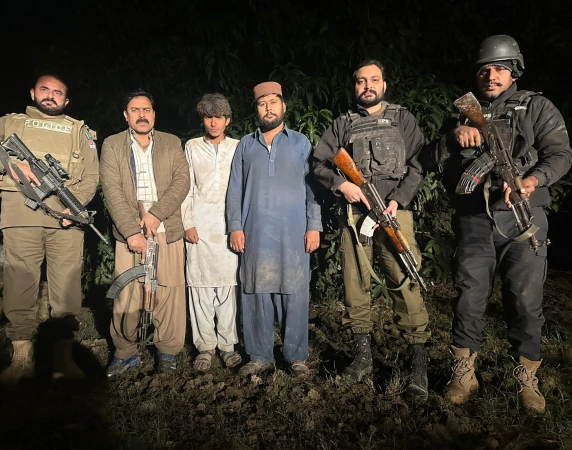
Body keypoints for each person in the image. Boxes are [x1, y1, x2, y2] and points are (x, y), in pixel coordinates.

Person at [421, 35, 572, 413]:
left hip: (522, 217)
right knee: (468, 295)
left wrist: (531, 180)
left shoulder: (537, 108)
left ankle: (526, 376)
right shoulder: (462, 113)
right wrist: (453, 137)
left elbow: (561, 155)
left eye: (500, 69)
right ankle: (464, 372)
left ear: (514, 72)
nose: (491, 75)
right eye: (485, 70)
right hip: (473, 218)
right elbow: (428, 159)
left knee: (524, 299)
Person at [312, 60, 430, 401]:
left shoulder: (402, 119)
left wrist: (398, 199)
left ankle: (417, 364)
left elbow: (419, 164)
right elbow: (318, 162)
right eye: (361, 81)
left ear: (384, 84)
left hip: (393, 213)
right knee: (354, 283)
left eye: (374, 80)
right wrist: (342, 185)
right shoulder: (342, 124)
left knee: (405, 282)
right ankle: (362, 357)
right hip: (354, 216)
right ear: (355, 87)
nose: (368, 86)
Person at [0, 74, 99, 383]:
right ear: (32, 93)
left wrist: (75, 207)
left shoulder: (80, 130)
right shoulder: (9, 123)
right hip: (21, 215)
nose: (51, 96)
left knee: (67, 286)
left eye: (58, 92)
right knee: (20, 281)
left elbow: (91, 175)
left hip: (66, 219)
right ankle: (22, 359)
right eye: (45, 89)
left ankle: (63, 360)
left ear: (66, 100)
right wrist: (11, 165)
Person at [227, 81, 322, 377]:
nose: (268, 108)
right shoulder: (246, 145)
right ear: (256, 109)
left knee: (295, 292)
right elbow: (234, 189)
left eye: (273, 102)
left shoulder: (301, 143)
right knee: (255, 291)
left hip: (293, 232)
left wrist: (314, 225)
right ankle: (259, 355)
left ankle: (296, 356)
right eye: (262, 103)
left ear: (283, 106)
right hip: (254, 231)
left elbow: (314, 189)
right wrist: (234, 226)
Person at [100, 89, 190, 377]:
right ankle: (125, 352)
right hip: (130, 232)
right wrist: (131, 231)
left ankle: (168, 350)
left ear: (154, 114)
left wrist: (156, 214)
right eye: (135, 110)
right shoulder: (112, 144)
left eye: (147, 109)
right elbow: (112, 190)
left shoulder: (171, 142)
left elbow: (182, 181)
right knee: (127, 292)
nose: (142, 115)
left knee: (170, 290)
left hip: (166, 227)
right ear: (126, 115)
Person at [181, 93, 241, 372]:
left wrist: (239, 226)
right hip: (200, 225)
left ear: (227, 120)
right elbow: (186, 188)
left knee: (227, 287)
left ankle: (228, 346)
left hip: (228, 226)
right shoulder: (192, 146)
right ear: (203, 119)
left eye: (219, 117)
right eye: (208, 117)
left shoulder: (238, 147)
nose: (214, 122)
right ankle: (205, 347)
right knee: (200, 287)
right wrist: (188, 223)